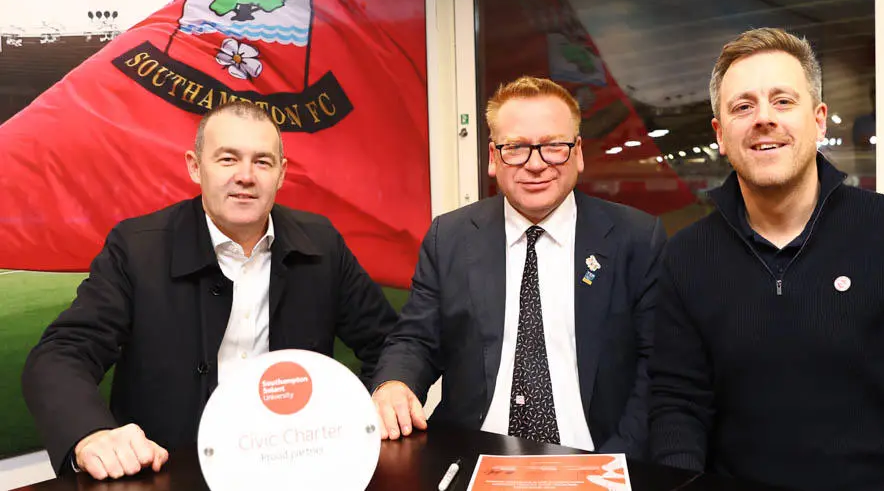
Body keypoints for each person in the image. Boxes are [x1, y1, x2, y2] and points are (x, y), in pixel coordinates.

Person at [648, 27, 884, 490]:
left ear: (819, 121)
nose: (763, 118)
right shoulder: (687, 256)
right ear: (721, 135)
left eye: (783, 101)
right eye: (743, 106)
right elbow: (678, 404)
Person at [22, 102, 398, 480]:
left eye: (262, 162)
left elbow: (388, 341)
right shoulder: (137, 250)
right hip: (171, 474)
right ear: (195, 166)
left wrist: (386, 388)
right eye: (228, 159)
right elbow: (61, 354)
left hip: (294, 468)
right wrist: (91, 434)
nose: (245, 176)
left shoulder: (322, 244)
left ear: (281, 174)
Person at [370, 76, 667, 458]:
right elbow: (416, 339)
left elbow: (656, 367)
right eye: (516, 148)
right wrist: (394, 383)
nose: (536, 164)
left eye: (554, 146)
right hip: (475, 453)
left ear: (577, 153)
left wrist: (616, 461)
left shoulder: (636, 239)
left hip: (596, 456)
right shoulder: (451, 237)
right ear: (493, 158)